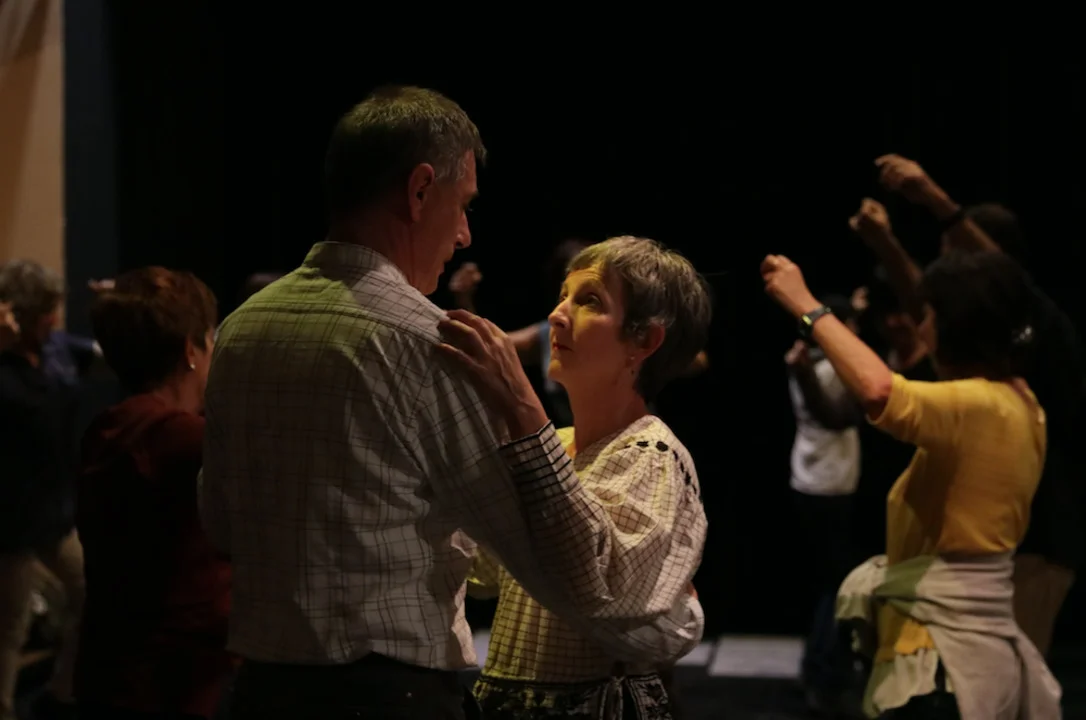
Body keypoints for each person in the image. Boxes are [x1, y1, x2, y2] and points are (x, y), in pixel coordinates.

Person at [198, 86, 701, 720]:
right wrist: (677, 616)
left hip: (260, 691)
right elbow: (568, 573)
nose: (464, 234)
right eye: (462, 205)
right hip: (387, 697)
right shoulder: (428, 344)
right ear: (419, 191)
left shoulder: (242, 327)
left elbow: (220, 521)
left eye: (589, 301)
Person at [762, 250, 1060, 718]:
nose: (922, 329)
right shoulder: (1020, 402)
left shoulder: (982, 406)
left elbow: (880, 391)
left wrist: (807, 306)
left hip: (943, 654)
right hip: (961, 646)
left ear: (955, 328)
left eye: (930, 317)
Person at [450, 236, 709, 719]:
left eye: (589, 301)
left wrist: (521, 408)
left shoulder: (648, 453)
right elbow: (485, 567)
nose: (557, 315)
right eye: (563, 296)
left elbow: (595, 587)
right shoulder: (559, 443)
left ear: (644, 342)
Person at [857, 154, 1085, 656]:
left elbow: (880, 391)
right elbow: (926, 302)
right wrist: (886, 243)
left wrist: (934, 198)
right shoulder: (985, 358)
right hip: (997, 552)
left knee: (1000, 683)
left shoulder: (1035, 337)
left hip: (1034, 547)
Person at [74, 267, 234, 720]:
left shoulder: (108, 428)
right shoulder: (181, 439)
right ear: (189, 350)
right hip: (169, 684)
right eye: (210, 337)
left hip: (111, 674)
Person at [0, 260, 84, 720]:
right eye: (46, 312)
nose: (53, 320)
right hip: (9, 523)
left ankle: (62, 691)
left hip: (51, 513)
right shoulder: (6, 367)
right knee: (9, 627)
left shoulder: (55, 353)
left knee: (89, 589)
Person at [783, 294, 864, 715]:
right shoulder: (824, 368)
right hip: (827, 484)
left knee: (830, 582)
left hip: (814, 477)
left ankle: (818, 667)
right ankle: (823, 672)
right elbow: (838, 416)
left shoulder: (810, 359)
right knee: (837, 584)